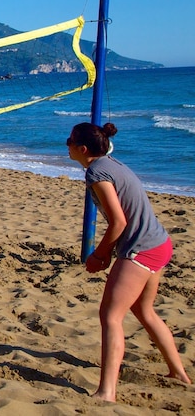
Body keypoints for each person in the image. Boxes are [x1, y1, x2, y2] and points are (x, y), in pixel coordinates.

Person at [67, 122, 190, 402]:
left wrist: (100, 254)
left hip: (142, 249)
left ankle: (107, 392)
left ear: (82, 149)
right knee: (144, 311)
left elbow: (119, 222)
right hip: (159, 243)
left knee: (110, 317)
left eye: (70, 141)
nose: (67, 145)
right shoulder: (111, 163)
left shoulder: (97, 172)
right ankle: (179, 373)